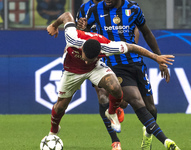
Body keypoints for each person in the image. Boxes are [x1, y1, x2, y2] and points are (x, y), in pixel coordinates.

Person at [46, 11, 176, 149]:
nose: (85, 61)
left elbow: (132, 47)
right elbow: (67, 15)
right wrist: (54, 25)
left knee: (115, 87)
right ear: (81, 48)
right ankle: (53, 130)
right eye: (84, 56)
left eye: (88, 58)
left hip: (94, 68)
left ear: (100, 54)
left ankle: (112, 112)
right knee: (60, 106)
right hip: (71, 71)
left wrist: (156, 57)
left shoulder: (106, 46)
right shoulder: (72, 38)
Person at [77, 0, 181, 150]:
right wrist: (82, 28)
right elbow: (85, 35)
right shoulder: (94, 10)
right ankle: (166, 142)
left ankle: (148, 133)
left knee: (150, 108)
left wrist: (160, 59)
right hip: (114, 65)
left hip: (136, 63)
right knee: (135, 99)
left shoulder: (133, 9)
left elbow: (146, 32)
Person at [76, 1, 137, 149]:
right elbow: (77, 32)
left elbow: (135, 29)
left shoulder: (123, 5)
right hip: (97, 57)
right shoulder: (85, 8)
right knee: (102, 95)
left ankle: (117, 107)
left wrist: (131, 49)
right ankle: (115, 141)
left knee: (123, 100)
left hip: (118, 55)